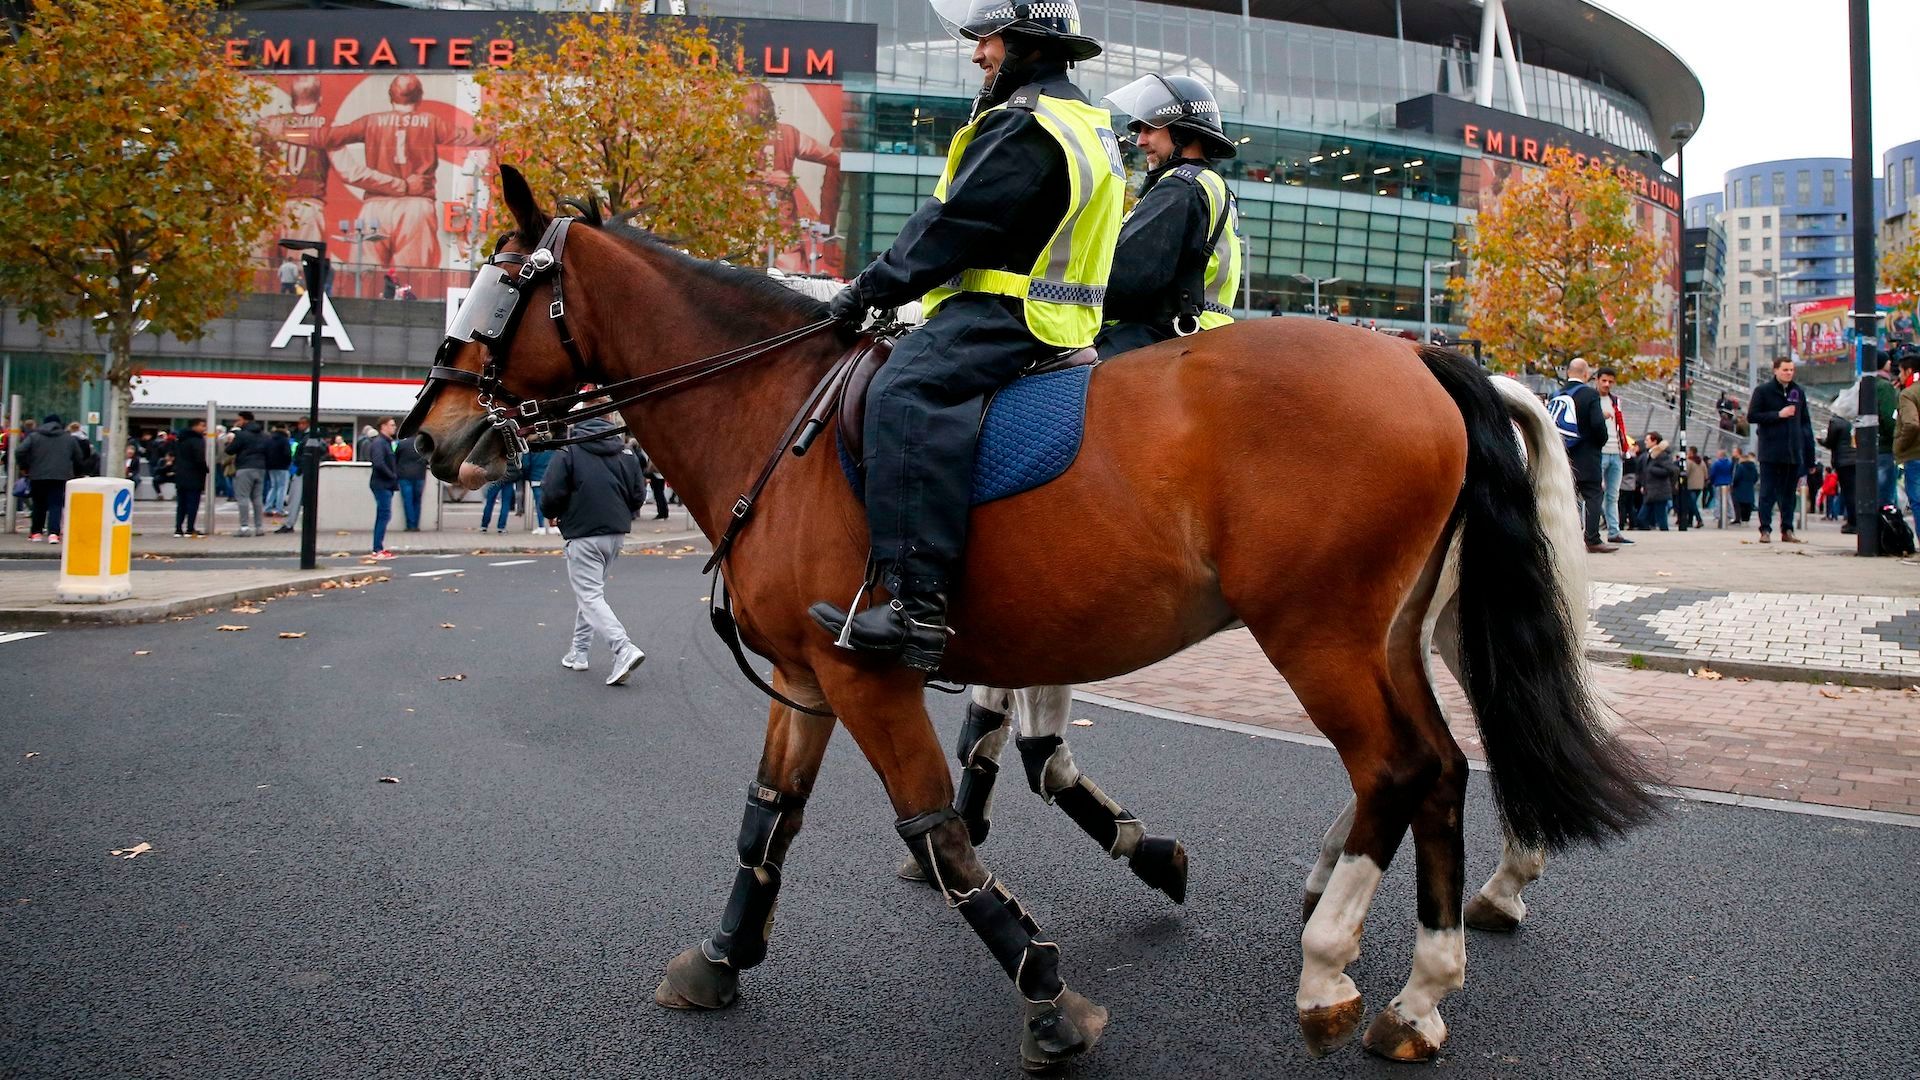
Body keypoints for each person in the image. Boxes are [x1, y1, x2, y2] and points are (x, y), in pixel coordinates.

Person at [809, 0, 1122, 669]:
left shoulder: (1027, 124)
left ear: (1029, 44)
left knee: (902, 390)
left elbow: (956, 226)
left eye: (989, 40)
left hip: (1007, 314)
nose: (978, 53)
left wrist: (866, 292)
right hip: (1056, 315)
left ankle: (916, 609)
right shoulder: (1086, 121)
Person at [1091, 73, 1240, 358]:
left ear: (1182, 131)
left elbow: (1127, 275)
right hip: (1205, 332)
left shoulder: (1181, 187)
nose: (1140, 141)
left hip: (1164, 334)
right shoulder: (1207, 183)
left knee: (1063, 386)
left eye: (1149, 129)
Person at [540, 413, 647, 686]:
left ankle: (623, 648)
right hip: (615, 533)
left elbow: (551, 493)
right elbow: (638, 495)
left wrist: (553, 513)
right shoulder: (626, 452)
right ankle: (579, 652)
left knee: (589, 596)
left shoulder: (570, 450)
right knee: (591, 594)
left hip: (582, 531)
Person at [1746, 356, 1818, 543]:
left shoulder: (1798, 392)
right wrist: (1778, 414)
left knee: (1788, 495)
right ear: (1775, 370)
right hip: (1771, 451)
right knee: (1767, 492)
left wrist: (1810, 458)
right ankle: (1765, 529)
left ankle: (1787, 529)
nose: (1788, 373)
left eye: (1791, 370)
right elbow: (1752, 416)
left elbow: (1805, 425)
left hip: (1793, 452)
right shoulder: (1763, 391)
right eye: (1785, 370)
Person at [1554, 358, 1615, 552]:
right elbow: (1598, 425)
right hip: (1587, 456)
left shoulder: (1557, 394)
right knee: (1593, 495)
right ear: (1587, 374)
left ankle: (1564, 540)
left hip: (1563, 455)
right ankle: (1592, 538)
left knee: (1566, 498)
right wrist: (1600, 442)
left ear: (1568, 372)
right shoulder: (1589, 395)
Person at [20, 413, 85, 543]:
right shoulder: (68, 438)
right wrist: (76, 473)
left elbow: (20, 451)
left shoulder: (34, 436)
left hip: (37, 475)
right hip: (60, 476)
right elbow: (79, 457)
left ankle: (36, 533)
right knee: (56, 504)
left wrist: (25, 467)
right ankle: (53, 534)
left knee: (39, 504)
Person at [1595, 367, 1632, 543]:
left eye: (1610, 381)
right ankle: (1591, 531)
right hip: (1600, 451)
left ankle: (1614, 531)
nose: (1607, 384)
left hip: (1615, 451)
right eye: (1604, 380)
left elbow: (1620, 425)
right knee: (1594, 493)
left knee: (1613, 494)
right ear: (1597, 380)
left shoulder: (1615, 400)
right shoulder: (1592, 400)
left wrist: (1624, 447)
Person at [1867, 349, 1901, 509]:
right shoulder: (1884, 387)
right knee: (1885, 495)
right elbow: (1889, 417)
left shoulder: (1868, 383)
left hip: (1871, 445)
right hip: (1886, 447)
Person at [226, 414, 270, 537]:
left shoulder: (241, 435)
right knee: (257, 498)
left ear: (245, 420)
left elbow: (230, 450)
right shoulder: (264, 435)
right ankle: (259, 527)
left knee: (243, 497)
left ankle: (244, 527)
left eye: (239, 419)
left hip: (245, 467)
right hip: (261, 467)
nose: (237, 422)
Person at [367, 416, 399, 559]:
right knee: (384, 515)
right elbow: (379, 463)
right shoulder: (380, 443)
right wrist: (391, 475)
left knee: (384, 514)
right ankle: (377, 549)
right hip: (382, 483)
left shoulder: (385, 443)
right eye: (392, 425)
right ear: (383, 426)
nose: (394, 427)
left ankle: (378, 547)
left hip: (385, 483)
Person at [1895, 347, 1920, 532]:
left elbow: (1911, 424)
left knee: (1918, 502)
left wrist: (1900, 446)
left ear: (1908, 371)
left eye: (1900, 372)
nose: (1900, 376)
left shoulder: (1908, 394)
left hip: (1915, 454)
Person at [171, 418, 208, 537]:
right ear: (195, 426)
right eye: (202, 426)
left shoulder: (180, 439)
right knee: (192, 503)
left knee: (181, 503)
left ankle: (178, 529)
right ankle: (190, 528)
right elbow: (199, 458)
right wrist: (205, 469)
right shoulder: (197, 440)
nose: (204, 429)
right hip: (194, 475)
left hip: (181, 475)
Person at [1636, 431, 1677, 531]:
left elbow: (1671, 470)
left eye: (1647, 440)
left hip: (1659, 491)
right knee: (1642, 518)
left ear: (1654, 441)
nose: (1645, 442)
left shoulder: (1661, 454)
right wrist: (1643, 485)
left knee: (1660, 519)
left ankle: (1665, 537)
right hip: (1650, 491)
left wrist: (1652, 469)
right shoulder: (1649, 454)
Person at [395, 433, 429, 531]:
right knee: (417, 501)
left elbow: (395, 458)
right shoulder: (423, 445)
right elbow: (427, 460)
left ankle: (410, 525)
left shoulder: (401, 444)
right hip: (420, 475)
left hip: (404, 476)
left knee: (407, 501)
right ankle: (416, 525)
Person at [264, 425, 293, 518]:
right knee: (282, 488)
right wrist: (288, 463)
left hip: (271, 466)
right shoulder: (284, 440)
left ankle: (267, 508)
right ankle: (279, 509)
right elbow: (287, 454)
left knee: (273, 487)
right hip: (282, 466)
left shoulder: (270, 439)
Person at [1708, 449, 1735, 528]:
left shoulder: (1716, 464)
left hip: (1718, 483)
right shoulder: (1729, 463)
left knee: (1718, 500)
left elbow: (1713, 473)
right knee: (1729, 500)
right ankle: (1731, 515)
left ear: (1720, 455)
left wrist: (1712, 481)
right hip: (1727, 483)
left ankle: (1718, 515)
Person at [1682, 447, 1708, 528]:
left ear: (1691, 452)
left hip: (1691, 485)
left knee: (1692, 504)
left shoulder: (1689, 462)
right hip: (1699, 485)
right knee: (1692, 503)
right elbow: (1706, 474)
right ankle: (1689, 521)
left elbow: (1685, 473)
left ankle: (1699, 519)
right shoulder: (1702, 462)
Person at [1731, 449, 1759, 524]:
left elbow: (1737, 477)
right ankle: (1746, 519)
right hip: (1749, 487)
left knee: (1740, 503)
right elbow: (1756, 477)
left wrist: (1734, 484)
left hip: (1740, 487)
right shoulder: (1753, 467)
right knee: (1748, 503)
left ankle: (1740, 518)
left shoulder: (1741, 467)